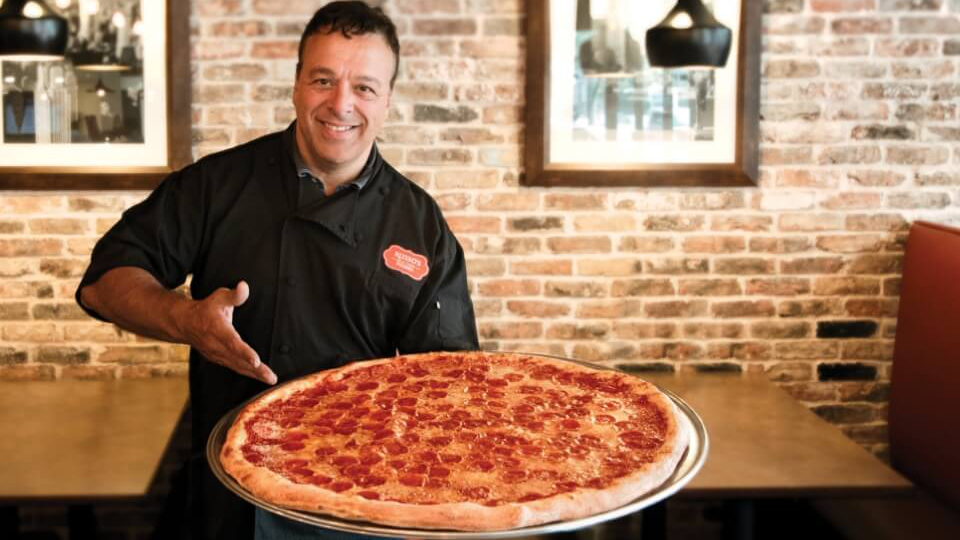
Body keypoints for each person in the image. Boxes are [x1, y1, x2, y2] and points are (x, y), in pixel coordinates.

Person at [75, 2, 479, 539]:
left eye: (364, 87)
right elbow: (105, 283)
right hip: (230, 499)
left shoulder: (419, 220)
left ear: (387, 101)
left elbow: (452, 383)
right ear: (295, 85)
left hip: (359, 504)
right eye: (323, 79)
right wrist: (185, 318)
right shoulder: (217, 185)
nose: (341, 104)